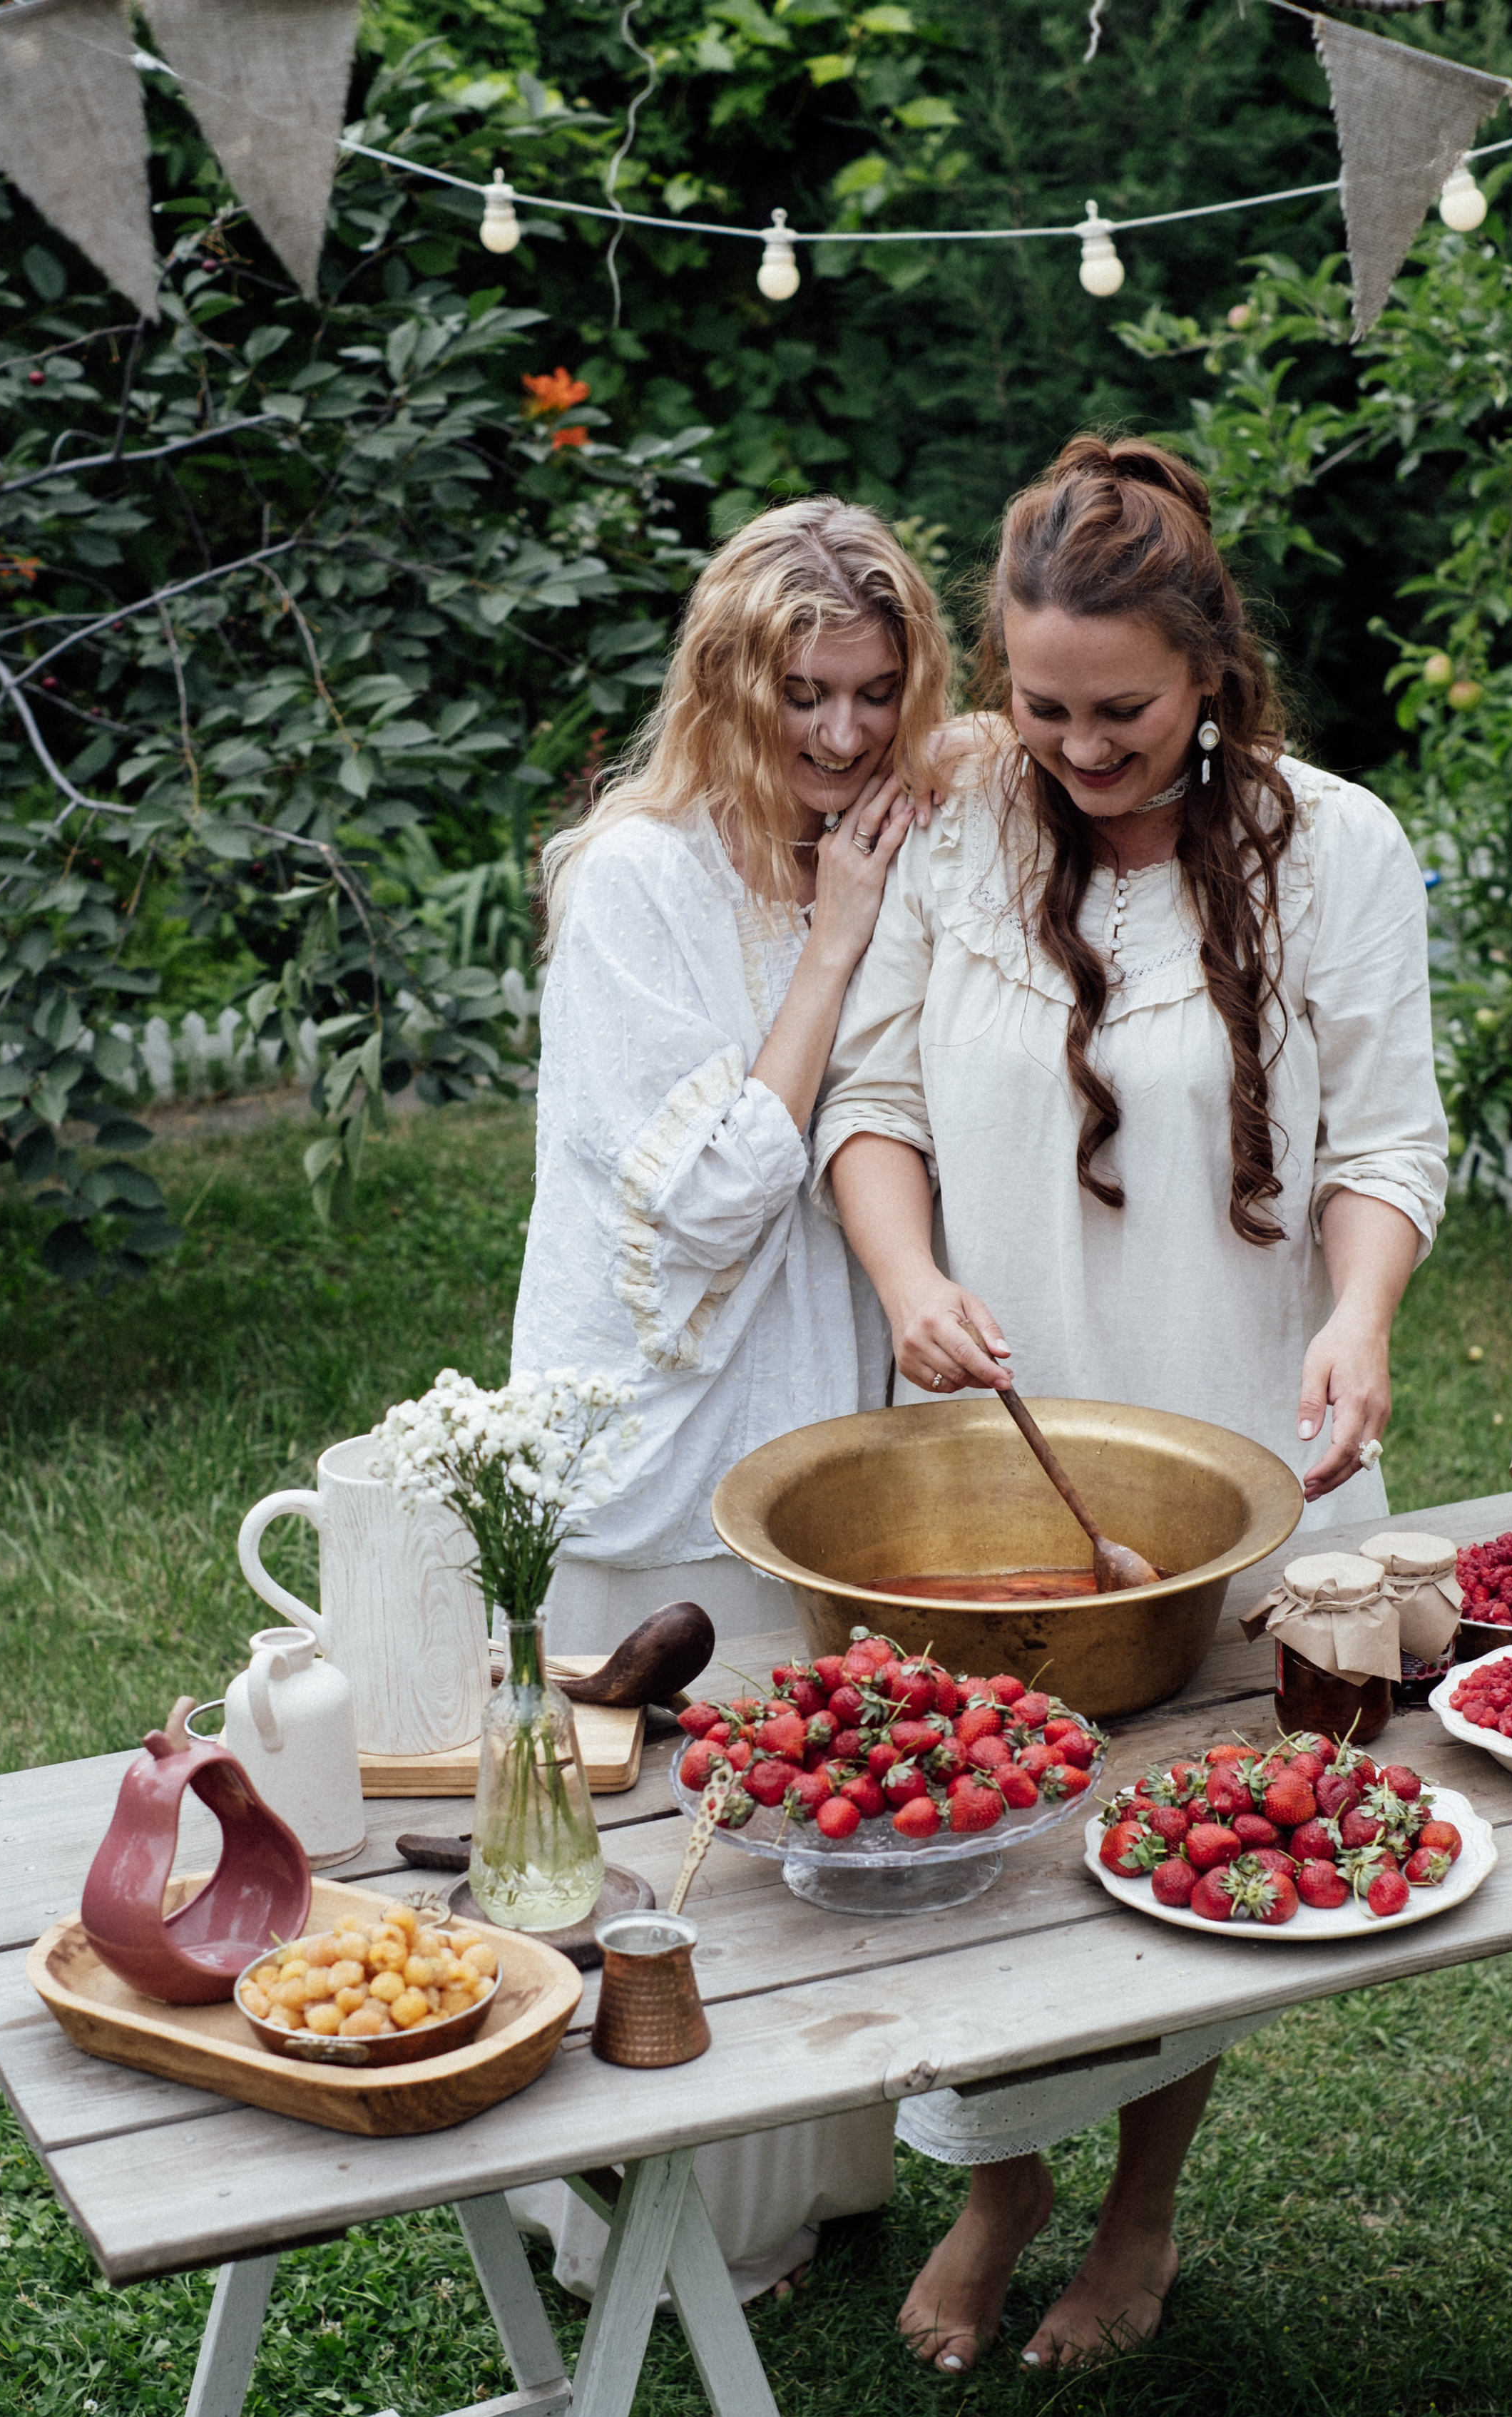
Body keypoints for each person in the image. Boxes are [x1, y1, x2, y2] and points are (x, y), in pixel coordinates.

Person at [814, 435, 1449, 2371]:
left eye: (1122, 713)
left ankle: (1143, 2199)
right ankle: (1002, 2179)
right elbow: (875, 1105)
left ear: (1211, 679)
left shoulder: (1337, 845)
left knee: (1185, 1840)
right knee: (993, 1829)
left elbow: (1393, 1142)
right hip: (994, 1454)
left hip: (1234, 1417)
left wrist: (1359, 1320)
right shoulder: (955, 819)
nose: (1074, 749)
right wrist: (912, 1278)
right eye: (1038, 703)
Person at [506, 496, 952, 2301]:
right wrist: (835, 946)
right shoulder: (636, 880)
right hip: (656, 1431)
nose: (840, 734)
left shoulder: (881, 821)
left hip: (815, 1420)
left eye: (873, 690)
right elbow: (701, 1196)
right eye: (802, 698)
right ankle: (606, 2201)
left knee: (801, 1830)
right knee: (646, 1850)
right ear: (723, 688)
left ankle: (808, 2185)